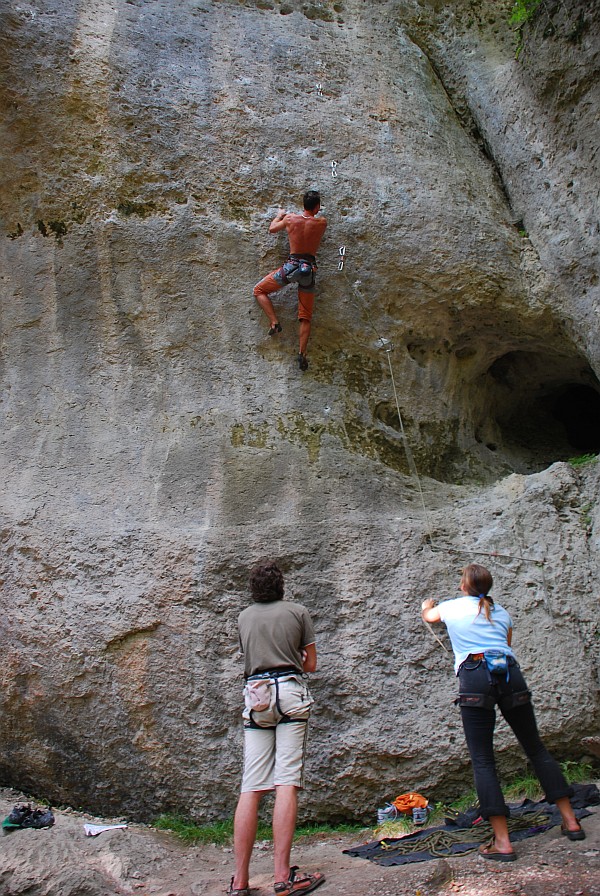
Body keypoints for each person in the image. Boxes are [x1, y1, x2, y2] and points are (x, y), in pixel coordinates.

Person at [421, 562, 585, 862]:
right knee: (535, 747)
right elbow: (506, 645)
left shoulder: (453, 607)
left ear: (463, 586)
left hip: (474, 676)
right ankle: (571, 820)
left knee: (483, 758)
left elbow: (429, 616)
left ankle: (503, 841)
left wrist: (426, 604)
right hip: (510, 674)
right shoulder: (501, 613)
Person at [229, 559, 325, 896]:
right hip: (290, 692)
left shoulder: (243, 617)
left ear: (253, 589)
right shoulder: (298, 612)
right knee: (286, 780)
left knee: (251, 787)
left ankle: (240, 882)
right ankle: (282, 877)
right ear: (281, 585)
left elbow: (249, 657)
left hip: (256, 697)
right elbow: (310, 664)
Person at [253, 190, 327, 372]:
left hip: (290, 268)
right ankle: (302, 353)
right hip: (308, 270)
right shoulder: (321, 222)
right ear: (317, 206)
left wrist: (279, 215)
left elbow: (272, 229)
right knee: (305, 316)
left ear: (303, 204)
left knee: (259, 291)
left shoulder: (290, 219)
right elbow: (313, 220)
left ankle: (274, 322)